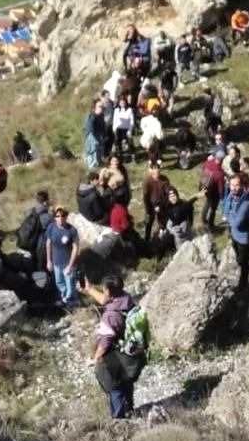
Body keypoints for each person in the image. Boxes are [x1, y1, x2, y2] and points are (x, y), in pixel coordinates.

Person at [82, 274, 140, 419]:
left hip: (117, 353)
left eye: (104, 288)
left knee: (115, 385)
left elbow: (105, 343)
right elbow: (104, 299)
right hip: (131, 349)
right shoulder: (125, 298)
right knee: (127, 381)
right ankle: (130, 409)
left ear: (108, 291)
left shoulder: (111, 316)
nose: (102, 290)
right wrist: (89, 289)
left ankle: (119, 419)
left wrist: (95, 358)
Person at [221, 174, 249, 289]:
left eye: (236, 185)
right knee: (239, 258)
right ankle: (242, 267)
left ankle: (243, 284)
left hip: (244, 237)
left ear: (242, 185)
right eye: (231, 185)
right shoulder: (231, 195)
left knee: (243, 262)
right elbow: (225, 210)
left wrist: (230, 215)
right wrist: (231, 215)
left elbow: (236, 223)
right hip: (235, 234)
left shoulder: (246, 203)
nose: (233, 188)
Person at [45, 207, 80, 309]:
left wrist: (70, 265)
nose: (60, 218)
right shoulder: (51, 227)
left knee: (70, 285)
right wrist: (49, 260)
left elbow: (75, 247)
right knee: (59, 283)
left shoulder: (71, 230)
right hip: (56, 262)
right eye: (58, 216)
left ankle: (72, 304)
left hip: (67, 263)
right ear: (55, 217)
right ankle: (64, 301)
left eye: (63, 215)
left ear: (66, 216)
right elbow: (48, 243)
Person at [158, 186, 196, 254]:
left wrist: (190, 222)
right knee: (164, 239)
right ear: (168, 198)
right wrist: (161, 229)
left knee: (186, 245)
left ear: (177, 196)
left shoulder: (183, 204)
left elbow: (190, 204)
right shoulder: (167, 207)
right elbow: (164, 219)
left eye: (174, 196)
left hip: (184, 228)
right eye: (171, 197)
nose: (173, 198)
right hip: (173, 228)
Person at [141, 162, 169, 244]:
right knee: (149, 222)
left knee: (162, 222)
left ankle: (161, 239)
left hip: (161, 204)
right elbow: (145, 197)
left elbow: (167, 193)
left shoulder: (164, 179)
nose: (156, 171)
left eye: (158, 169)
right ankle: (146, 240)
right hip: (150, 205)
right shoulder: (147, 181)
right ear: (151, 170)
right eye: (154, 169)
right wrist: (149, 209)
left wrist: (161, 205)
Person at [199, 151, 226, 230]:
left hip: (205, 188)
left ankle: (203, 219)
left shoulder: (208, 163)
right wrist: (221, 196)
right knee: (213, 208)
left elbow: (203, 169)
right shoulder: (219, 173)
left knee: (207, 202)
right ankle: (211, 225)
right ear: (222, 159)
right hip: (214, 192)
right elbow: (220, 187)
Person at [112, 97, 135, 162]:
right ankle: (120, 156)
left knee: (130, 142)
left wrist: (130, 130)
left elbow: (132, 121)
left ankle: (133, 156)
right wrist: (114, 130)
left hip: (127, 129)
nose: (122, 104)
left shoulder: (129, 110)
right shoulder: (116, 110)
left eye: (123, 103)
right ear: (119, 103)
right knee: (118, 143)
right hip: (119, 129)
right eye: (121, 103)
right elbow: (115, 121)